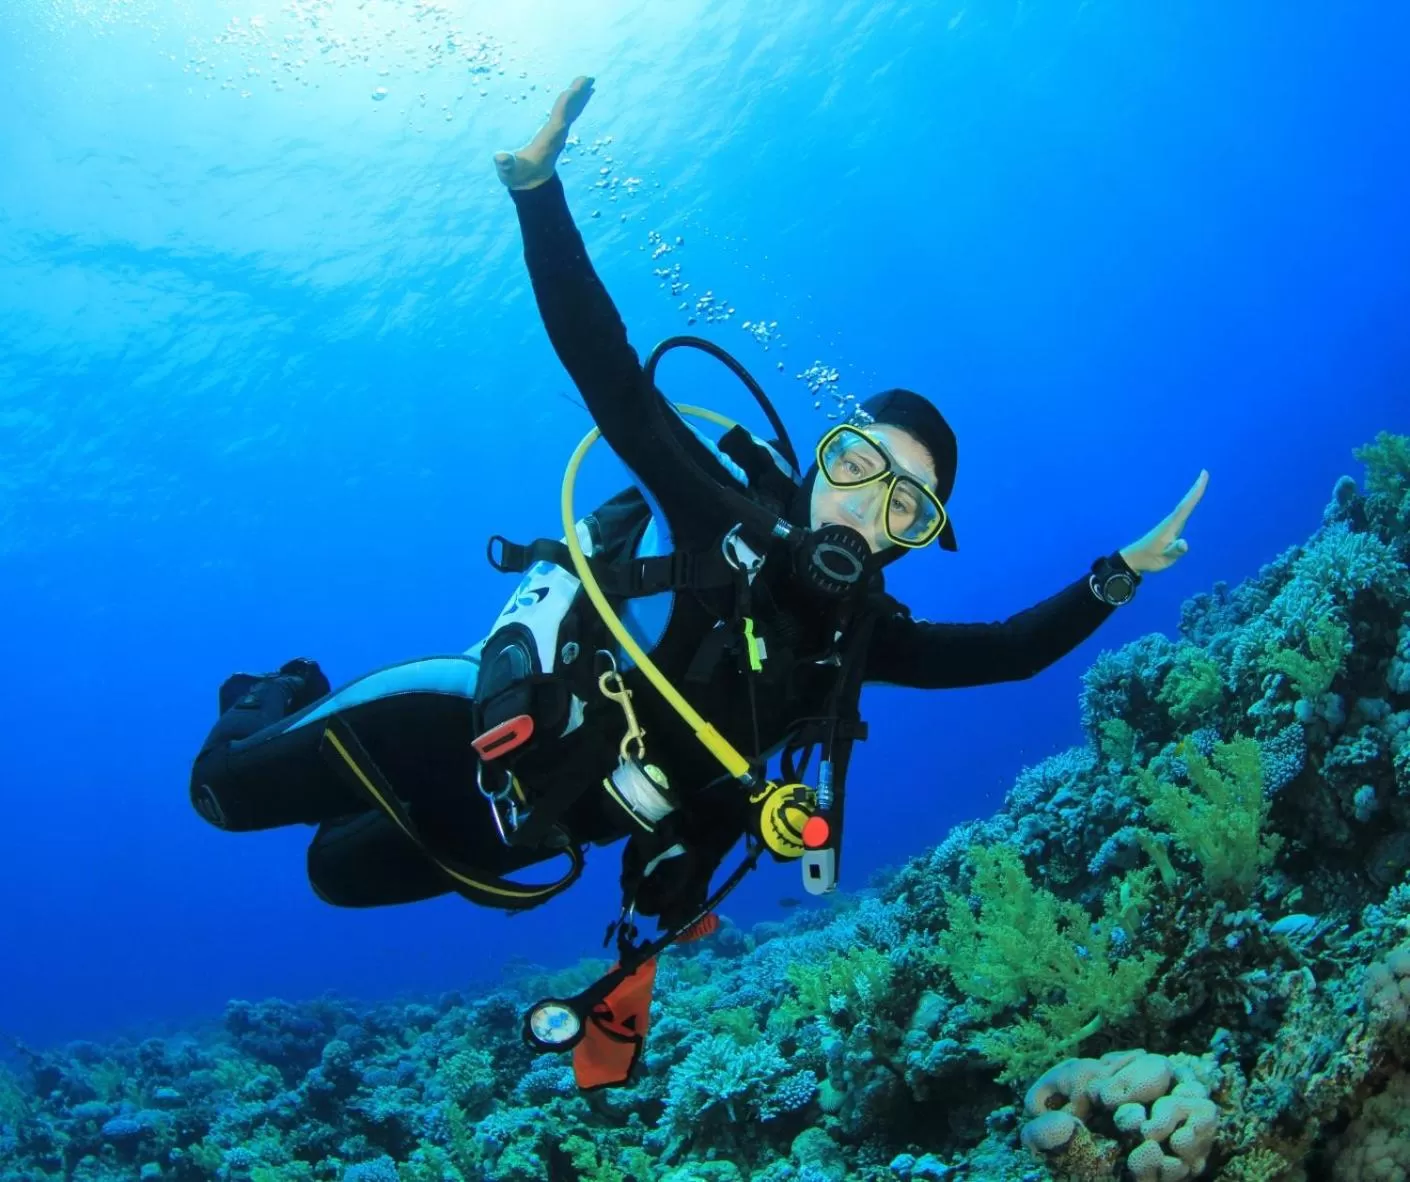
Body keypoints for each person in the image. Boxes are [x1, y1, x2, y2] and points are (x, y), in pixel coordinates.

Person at [188, 76, 1206, 1075]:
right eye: (859, 466)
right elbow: (610, 372)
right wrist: (540, 197)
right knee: (223, 795)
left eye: (906, 503)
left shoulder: (861, 642)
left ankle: (318, 746)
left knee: (335, 874)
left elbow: (1010, 655)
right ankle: (274, 697)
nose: (865, 505)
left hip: (522, 827)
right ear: (821, 457)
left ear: (914, 536)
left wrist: (1121, 572)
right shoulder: (722, 512)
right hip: (462, 720)